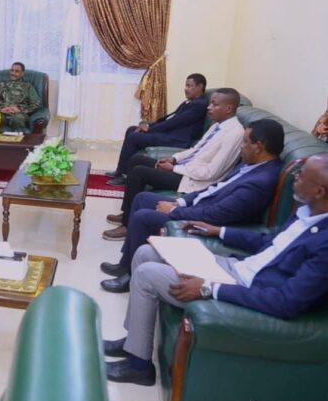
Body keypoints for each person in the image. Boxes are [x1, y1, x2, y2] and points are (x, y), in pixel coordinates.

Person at [102, 152, 328, 386]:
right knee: (146, 253)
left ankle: (139, 367)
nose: (296, 177)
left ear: (319, 191)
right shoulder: (306, 213)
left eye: (302, 175)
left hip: (243, 288)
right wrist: (219, 231)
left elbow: (286, 302)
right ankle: (133, 343)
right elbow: (269, 241)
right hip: (237, 268)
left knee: (146, 274)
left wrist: (210, 288)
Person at [100, 119, 284, 293]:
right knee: (142, 198)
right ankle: (126, 264)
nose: (241, 146)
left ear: (258, 146)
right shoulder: (252, 164)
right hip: (201, 205)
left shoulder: (260, 181)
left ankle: (130, 278)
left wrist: (175, 211)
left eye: (245, 142)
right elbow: (214, 188)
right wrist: (180, 201)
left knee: (143, 217)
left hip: (206, 221)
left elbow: (217, 214)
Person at [103, 88, 245, 241]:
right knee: (136, 160)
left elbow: (211, 172)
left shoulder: (234, 133)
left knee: (139, 172)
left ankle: (127, 225)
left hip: (194, 181)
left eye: (214, 104)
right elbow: (195, 150)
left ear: (228, 108)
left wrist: (175, 168)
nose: (209, 107)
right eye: (210, 103)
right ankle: (127, 212)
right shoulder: (217, 125)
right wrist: (174, 159)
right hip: (185, 169)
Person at [106, 74, 208, 186]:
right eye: (186, 85)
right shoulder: (189, 102)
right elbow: (169, 118)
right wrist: (148, 125)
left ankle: (125, 176)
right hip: (169, 134)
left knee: (134, 136)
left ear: (200, 87)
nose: (186, 89)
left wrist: (149, 129)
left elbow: (174, 122)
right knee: (131, 130)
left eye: (190, 86)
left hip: (176, 139)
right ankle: (120, 170)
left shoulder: (200, 105)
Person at [0, 62, 41, 133]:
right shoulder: (1, 85)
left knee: (17, 119)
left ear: (22, 73)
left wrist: (19, 109)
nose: (13, 73)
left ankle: (18, 138)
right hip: (2, 112)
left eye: (16, 71)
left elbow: (36, 104)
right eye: (12, 70)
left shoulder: (28, 87)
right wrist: (1, 109)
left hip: (20, 114)